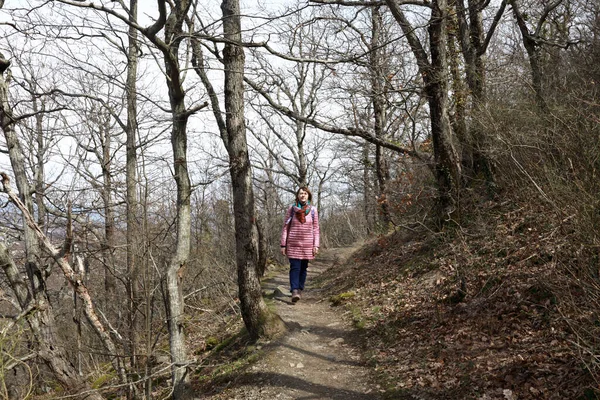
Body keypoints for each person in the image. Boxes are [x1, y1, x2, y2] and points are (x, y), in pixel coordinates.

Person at [280, 186, 320, 303]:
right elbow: (285, 228)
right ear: (297, 196)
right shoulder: (291, 209)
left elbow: (316, 229)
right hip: (293, 244)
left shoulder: (313, 210)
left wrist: (315, 245)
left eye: (305, 194)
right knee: (295, 267)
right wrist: (283, 245)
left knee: (303, 268)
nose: (303, 195)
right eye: (301, 193)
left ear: (308, 196)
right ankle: (294, 290)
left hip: (308, 245)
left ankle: (300, 289)